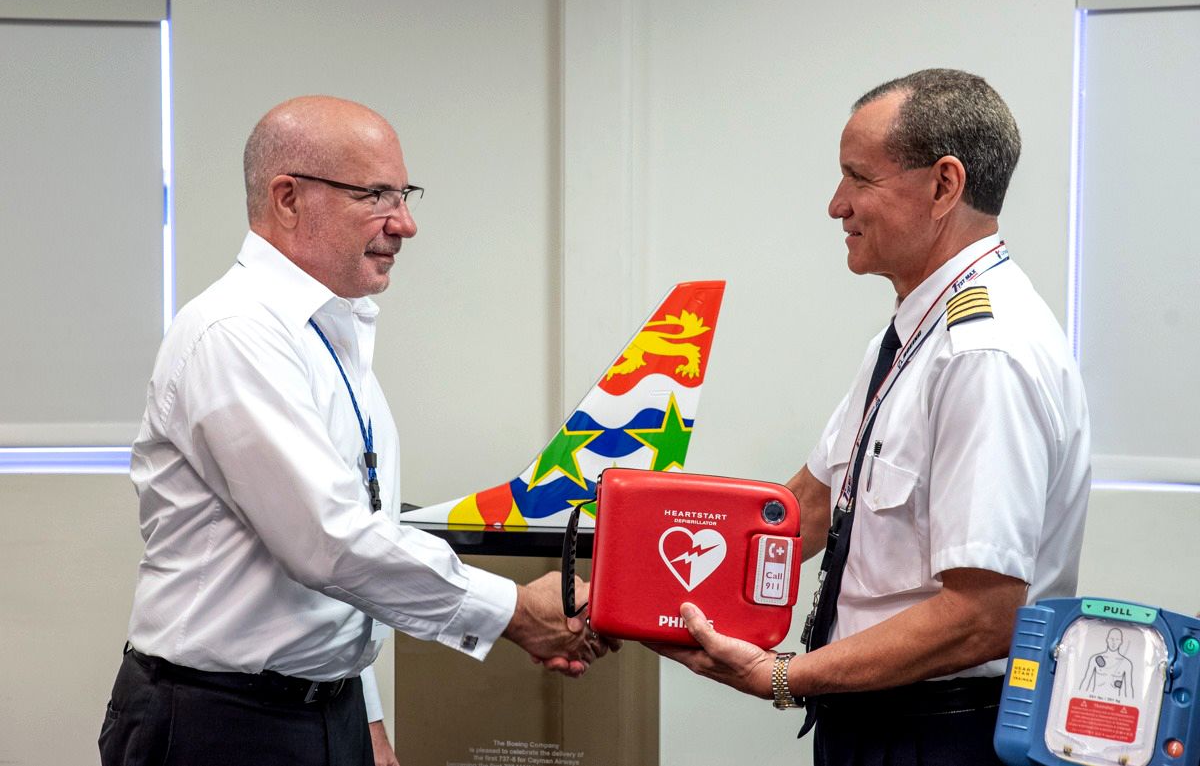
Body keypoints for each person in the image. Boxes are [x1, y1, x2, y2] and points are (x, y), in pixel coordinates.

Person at [99, 95, 609, 766]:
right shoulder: (236, 334)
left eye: (404, 193)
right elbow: (328, 539)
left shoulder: (332, 336)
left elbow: (349, 551)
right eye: (376, 195)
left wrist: (362, 715)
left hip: (319, 711)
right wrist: (515, 610)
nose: (407, 223)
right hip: (221, 723)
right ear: (288, 199)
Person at [651, 69, 1091, 765]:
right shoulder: (916, 334)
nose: (836, 204)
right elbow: (805, 508)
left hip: (941, 734)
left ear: (944, 185)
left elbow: (982, 616)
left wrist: (781, 677)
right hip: (875, 723)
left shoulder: (985, 352)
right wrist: (631, 592)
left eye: (859, 177)